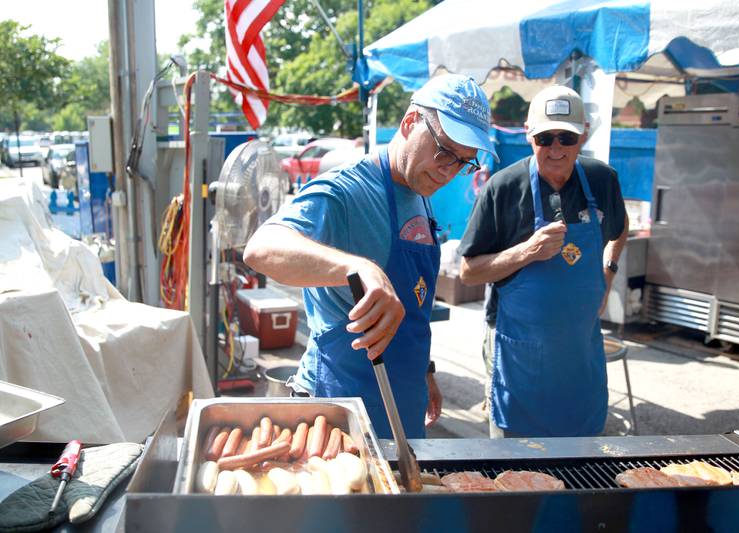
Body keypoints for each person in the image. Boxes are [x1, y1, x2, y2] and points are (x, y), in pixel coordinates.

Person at [244, 74, 499, 439]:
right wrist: (355, 266)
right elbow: (262, 247)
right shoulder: (347, 190)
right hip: (340, 411)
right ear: (410, 123)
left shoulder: (419, 189)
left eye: (464, 162)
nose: (450, 171)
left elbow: (414, 303)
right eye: (444, 152)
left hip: (403, 406)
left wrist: (424, 370)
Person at [458, 85, 629, 438]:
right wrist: (528, 251)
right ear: (527, 134)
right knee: (516, 460)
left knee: (581, 454)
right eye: (545, 137)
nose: (555, 149)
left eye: (566, 138)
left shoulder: (601, 180)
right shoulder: (503, 188)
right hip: (517, 347)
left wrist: (608, 273)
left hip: (579, 347)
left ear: (583, 136)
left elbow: (619, 230)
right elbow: (469, 272)